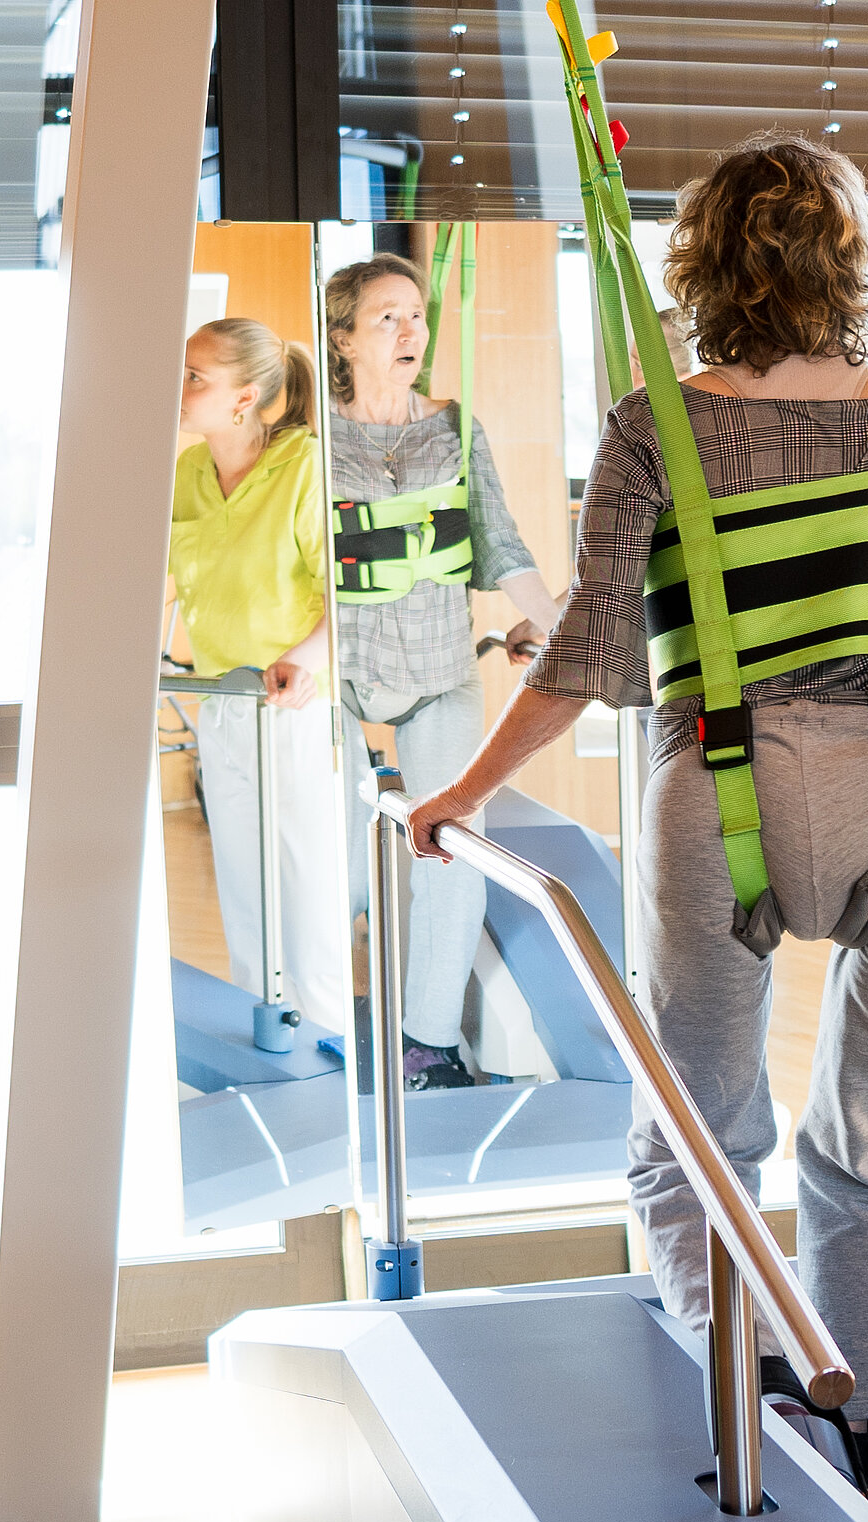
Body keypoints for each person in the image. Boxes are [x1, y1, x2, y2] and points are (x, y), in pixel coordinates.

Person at [404, 134, 868, 1519]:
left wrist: (462, 793)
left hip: (723, 787)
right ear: (850, 264)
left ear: (699, 264)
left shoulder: (650, 427)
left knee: (692, 1134)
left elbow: (588, 651)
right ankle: (849, 1430)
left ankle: (759, 1401)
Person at [323, 253, 565, 1090]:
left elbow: (500, 542)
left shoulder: (456, 427)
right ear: (345, 339)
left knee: (454, 853)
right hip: (339, 673)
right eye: (387, 316)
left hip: (439, 670)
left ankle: (427, 1043)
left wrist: (559, 628)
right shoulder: (317, 438)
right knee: (336, 860)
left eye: (417, 314)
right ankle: (321, 1021)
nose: (410, 330)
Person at [169, 317, 349, 1036]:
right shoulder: (188, 473)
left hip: (293, 705)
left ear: (244, 397)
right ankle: (265, 1039)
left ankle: (331, 1042)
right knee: (244, 893)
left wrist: (303, 661)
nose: (178, 386)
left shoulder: (305, 464)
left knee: (307, 893)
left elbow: (345, 595)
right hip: (222, 702)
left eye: (195, 377)